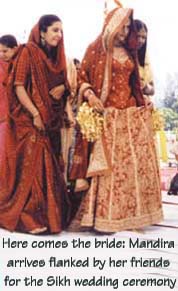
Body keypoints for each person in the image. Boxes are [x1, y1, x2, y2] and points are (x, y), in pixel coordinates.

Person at [69, 6, 163, 233]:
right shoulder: (96, 48)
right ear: (112, 24)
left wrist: (143, 102)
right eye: (123, 26)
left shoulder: (130, 51)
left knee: (130, 168)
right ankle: (104, 217)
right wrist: (90, 95)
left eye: (128, 27)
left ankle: (128, 216)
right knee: (109, 169)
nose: (125, 31)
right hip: (108, 116)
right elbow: (82, 77)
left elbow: (135, 84)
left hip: (129, 116)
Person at [0, 15, 71, 234]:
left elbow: (64, 84)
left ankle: (45, 217)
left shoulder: (56, 59)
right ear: (42, 32)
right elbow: (19, 86)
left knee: (46, 168)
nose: (59, 36)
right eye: (55, 30)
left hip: (50, 121)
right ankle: (26, 217)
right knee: (35, 167)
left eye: (61, 31)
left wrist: (64, 89)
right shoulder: (27, 52)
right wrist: (35, 113)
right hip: (28, 120)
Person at [134, 19, 154, 98]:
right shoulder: (122, 56)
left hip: (144, 102)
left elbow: (153, 90)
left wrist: (145, 87)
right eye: (138, 36)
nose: (141, 40)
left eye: (144, 37)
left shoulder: (144, 57)